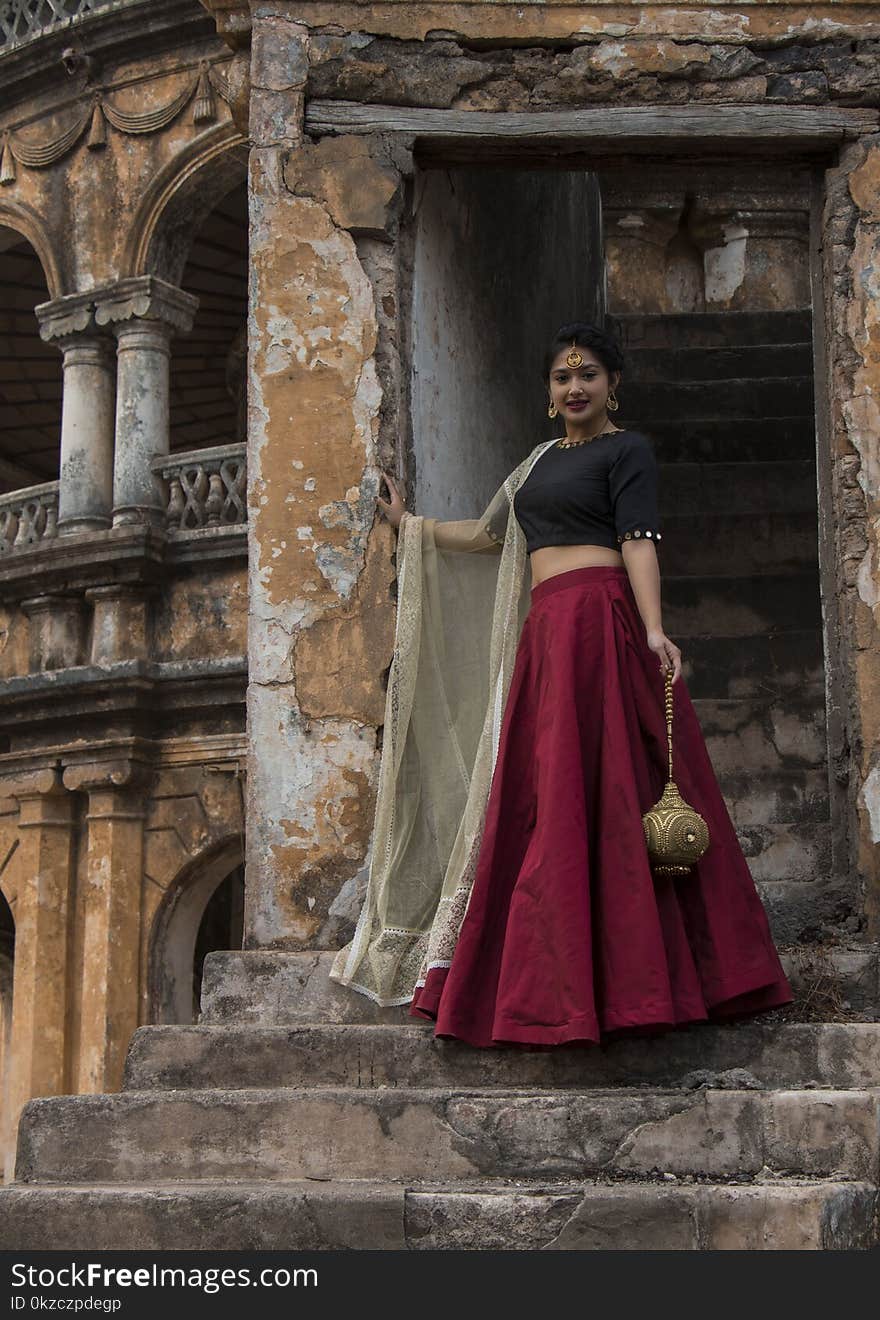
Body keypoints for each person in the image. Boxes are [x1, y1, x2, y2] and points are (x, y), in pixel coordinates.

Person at [330, 321, 792, 1047]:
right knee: (546, 794)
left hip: (601, 627)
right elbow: (489, 536)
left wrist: (653, 629)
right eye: (562, 378)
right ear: (549, 392)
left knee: (618, 789)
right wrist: (409, 524)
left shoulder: (626, 450)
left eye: (588, 376)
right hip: (547, 635)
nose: (574, 388)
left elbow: (638, 539)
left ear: (613, 386)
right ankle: (543, 980)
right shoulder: (536, 464)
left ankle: (653, 979)